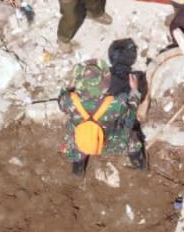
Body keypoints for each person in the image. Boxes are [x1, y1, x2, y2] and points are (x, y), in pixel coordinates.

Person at [58, 40, 146, 176]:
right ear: (105, 85)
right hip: (110, 142)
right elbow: (132, 110)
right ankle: (141, 165)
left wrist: (69, 86)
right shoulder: (116, 104)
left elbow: (61, 98)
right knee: (133, 141)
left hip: (81, 142)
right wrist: (134, 90)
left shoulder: (68, 101)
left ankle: (78, 172)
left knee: (76, 148)